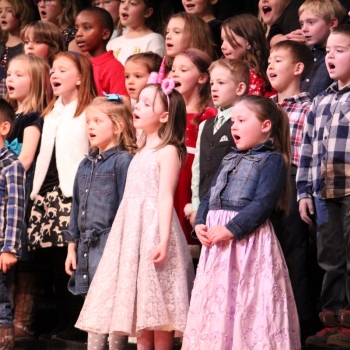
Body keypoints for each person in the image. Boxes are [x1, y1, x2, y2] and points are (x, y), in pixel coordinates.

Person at [75, 69, 195, 350]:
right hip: (131, 232)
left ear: (164, 116)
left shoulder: (168, 151)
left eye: (145, 104)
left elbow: (165, 197)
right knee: (141, 312)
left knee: (159, 312)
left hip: (153, 229)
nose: (137, 107)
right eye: (137, 102)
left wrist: (164, 240)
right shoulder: (139, 148)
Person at [182, 95, 300, 350]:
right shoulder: (229, 158)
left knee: (248, 299)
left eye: (241, 120)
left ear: (265, 125)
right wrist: (200, 222)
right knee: (219, 300)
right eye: (232, 120)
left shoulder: (272, 160)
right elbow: (209, 196)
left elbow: (263, 203)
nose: (233, 126)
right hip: (218, 246)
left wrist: (231, 229)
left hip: (248, 244)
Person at [27, 52, 97, 342]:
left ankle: (78, 324)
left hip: (72, 194)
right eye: (52, 70)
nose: (54, 75)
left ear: (80, 77)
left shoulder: (90, 109)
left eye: (62, 70)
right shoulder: (52, 110)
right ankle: (61, 320)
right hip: (47, 194)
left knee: (73, 260)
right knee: (53, 261)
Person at [63, 95, 136, 349]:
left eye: (97, 121)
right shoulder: (85, 164)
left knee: (113, 308)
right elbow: (76, 208)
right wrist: (71, 248)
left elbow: (126, 208)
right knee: (93, 308)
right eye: (88, 121)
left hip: (110, 247)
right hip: (86, 248)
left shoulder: (123, 161)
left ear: (117, 126)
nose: (90, 126)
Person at [297, 24, 350, 348]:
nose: (330, 56)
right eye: (328, 51)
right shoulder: (320, 101)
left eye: (339, 51)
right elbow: (307, 151)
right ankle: (332, 318)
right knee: (329, 258)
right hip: (324, 191)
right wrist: (304, 192)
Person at [267, 40, 315, 343]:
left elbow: (311, 154)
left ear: (297, 68)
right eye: (269, 60)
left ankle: (300, 325)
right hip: (264, 182)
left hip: (293, 178)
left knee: (295, 253)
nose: (270, 65)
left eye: (279, 60)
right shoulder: (263, 106)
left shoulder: (309, 108)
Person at [5, 54, 51, 340]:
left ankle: (22, 321)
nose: (10, 79)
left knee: (23, 261)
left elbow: (26, 158)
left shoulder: (32, 119)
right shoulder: (9, 117)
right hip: (4, 193)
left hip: (21, 193)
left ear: (34, 81)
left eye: (19, 75)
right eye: (9, 74)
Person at [190, 58, 249, 227]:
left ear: (240, 88)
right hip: (204, 207)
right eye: (212, 83)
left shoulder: (244, 122)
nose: (214, 88)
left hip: (231, 207)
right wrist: (195, 206)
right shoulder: (205, 125)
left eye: (221, 83)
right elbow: (197, 169)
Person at [171, 49, 217, 252]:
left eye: (183, 70)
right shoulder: (168, 111)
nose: (175, 74)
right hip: (171, 176)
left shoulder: (208, 114)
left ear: (202, 78)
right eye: (173, 70)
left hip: (191, 179)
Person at [0, 98, 25, 350]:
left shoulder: (11, 165)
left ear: (4, 128)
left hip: (0, 247)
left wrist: (9, 248)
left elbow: (15, 210)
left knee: (0, 304)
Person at [75, 7, 129, 97]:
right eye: (77, 28)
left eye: (86, 28)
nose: (78, 33)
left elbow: (121, 106)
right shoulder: (78, 63)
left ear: (105, 34)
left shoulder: (115, 69)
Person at [299, 0, 346, 100]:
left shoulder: (339, 58)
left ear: (332, 23)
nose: (304, 29)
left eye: (311, 22)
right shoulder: (302, 54)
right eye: (302, 24)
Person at [221, 14, 270, 96]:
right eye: (222, 40)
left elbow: (251, 106)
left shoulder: (251, 75)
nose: (223, 46)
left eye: (230, 39)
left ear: (248, 42)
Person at [106, 0, 164, 66]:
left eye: (132, 3)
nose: (124, 7)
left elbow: (154, 72)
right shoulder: (112, 43)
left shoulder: (153, 40)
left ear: (147, 12)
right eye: (122, 2)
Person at [0, 0, 37, 70]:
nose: (2, 15)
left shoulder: (27, 49)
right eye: (0, 11)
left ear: (22, 15)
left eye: (9, 11)